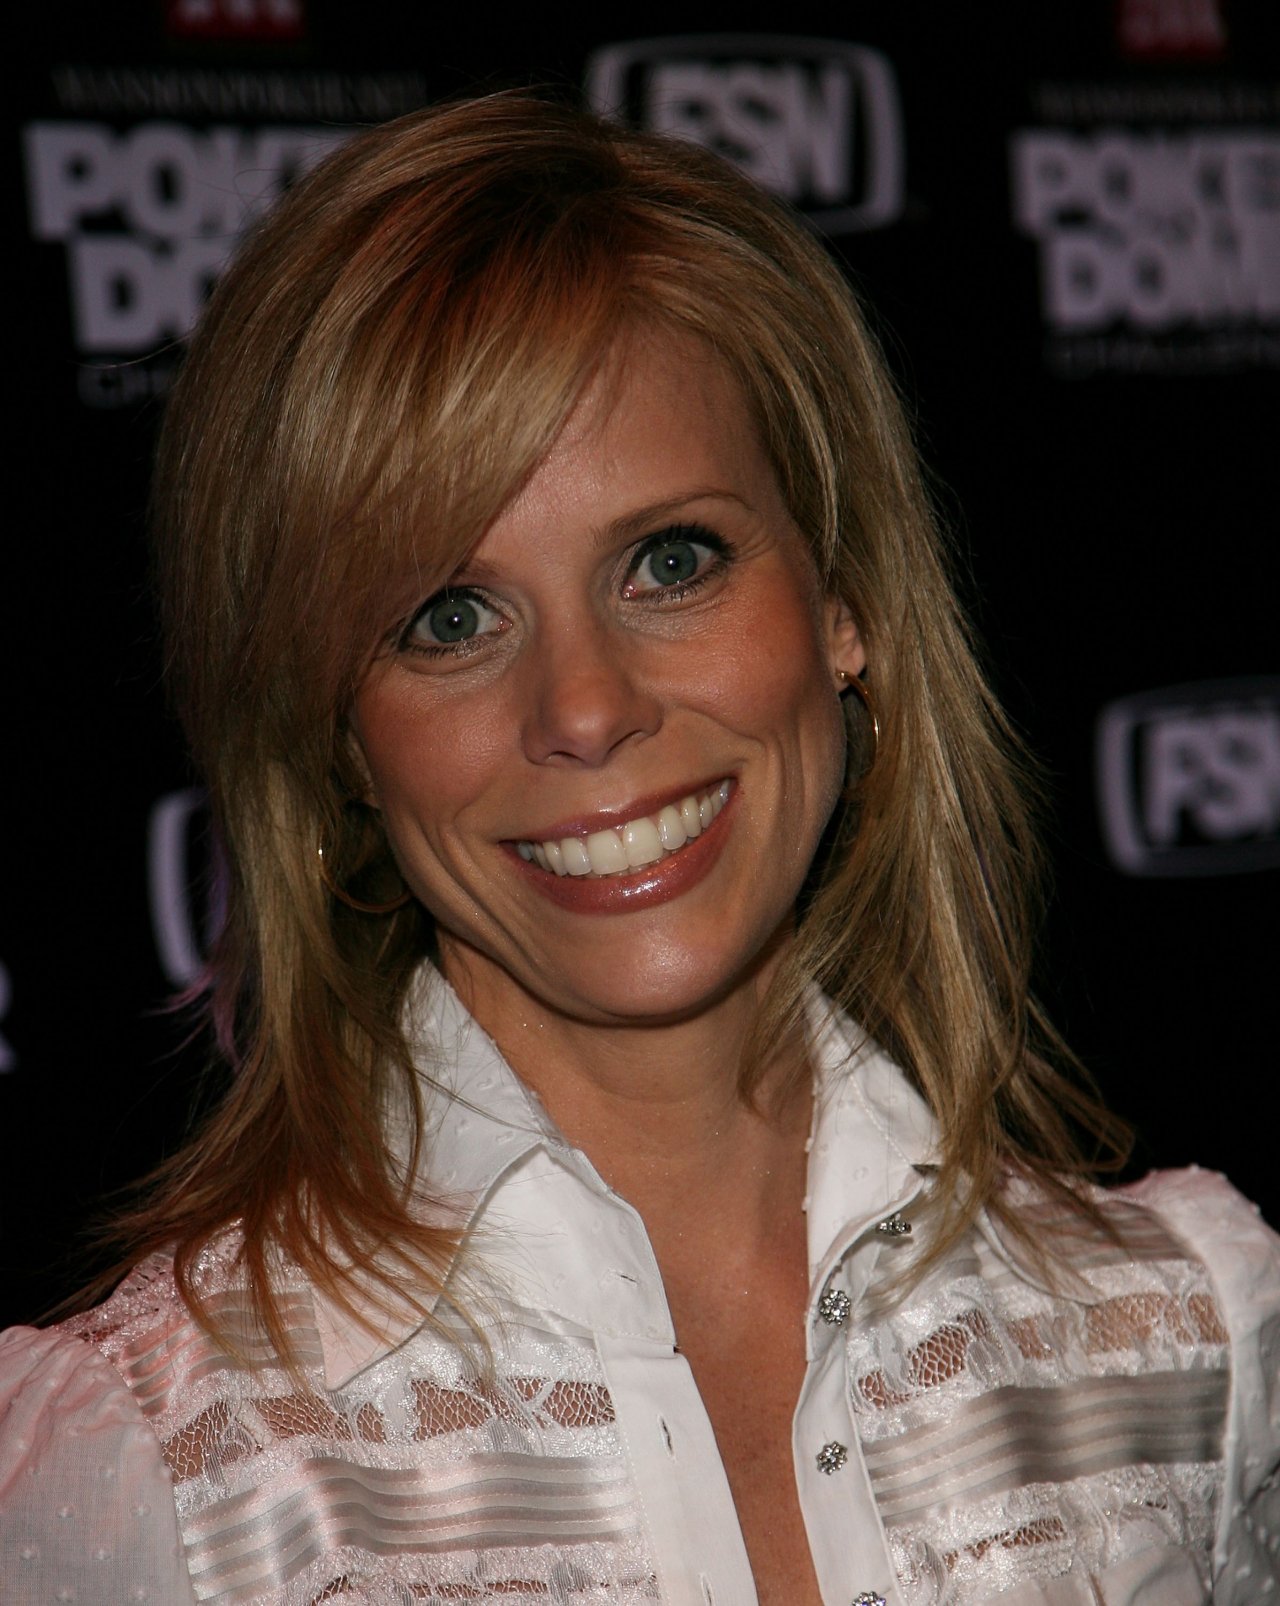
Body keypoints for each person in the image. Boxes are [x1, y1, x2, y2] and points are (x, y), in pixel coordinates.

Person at [1, 94, 1276, 1606]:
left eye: (672, 561)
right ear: (338, 739)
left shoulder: (1183, 1342)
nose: (587, 710)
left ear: (844, 603)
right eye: (449, 618)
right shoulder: (159, 1461)